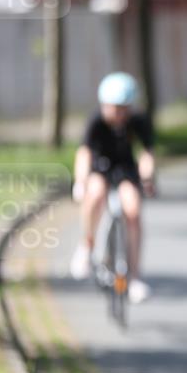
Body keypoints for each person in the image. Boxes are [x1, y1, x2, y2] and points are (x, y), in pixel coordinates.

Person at [69, 72, 155, 303]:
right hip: (101, 167)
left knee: (133, 210)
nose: (118, 114)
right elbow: (84, 153)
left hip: (125, 169)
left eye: (122, 109)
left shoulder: (138, 121)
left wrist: (147, 179)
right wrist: (81, 181)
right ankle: (86, 246)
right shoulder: (96, 121)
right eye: (113, 108)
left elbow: (146, 154)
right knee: (95, 194)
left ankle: (135, 276)